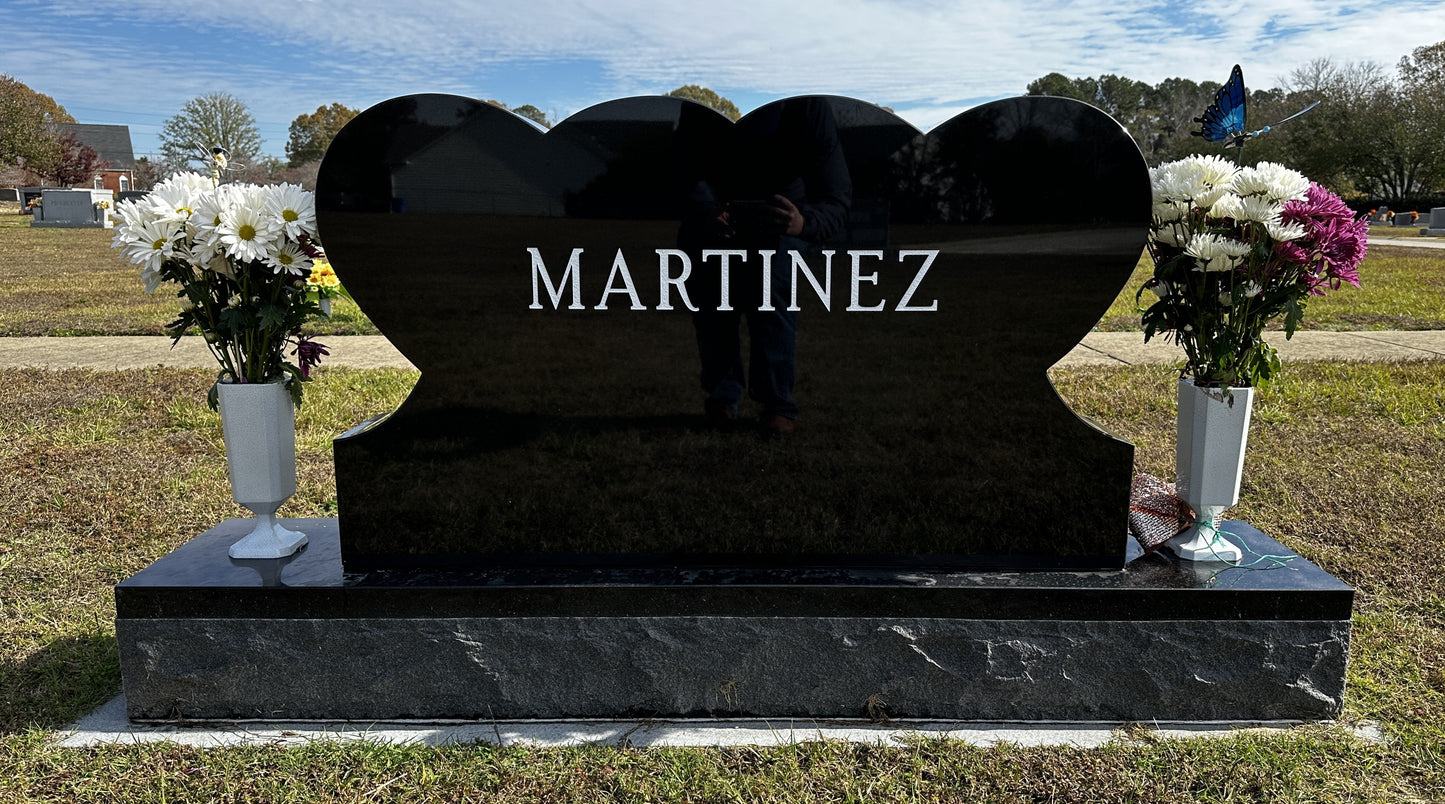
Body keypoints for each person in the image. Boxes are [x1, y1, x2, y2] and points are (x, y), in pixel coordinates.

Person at [678, 97, 852, 435]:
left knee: (772, 287)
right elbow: (684, 165)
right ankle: (724, 395)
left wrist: (802, 222)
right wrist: (705, 210)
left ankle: (775, 402)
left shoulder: (807, 104)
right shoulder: (702, 96)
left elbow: (835, 193)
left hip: (782, 220)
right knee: (712, 297)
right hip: (716, 214)